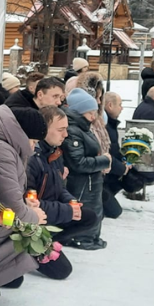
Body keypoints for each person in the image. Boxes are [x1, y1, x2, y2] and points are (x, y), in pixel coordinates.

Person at [0, 106, 48, 306]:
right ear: (21, 134)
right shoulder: (0, 150)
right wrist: (34, 216)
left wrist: (25, 204)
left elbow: (8, 193)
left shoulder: (5, 145)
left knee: (16, 278)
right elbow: (10, 202)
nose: (33, 148)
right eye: (33, 141)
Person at [28, 106, 101, 248]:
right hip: (37, 217)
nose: (66, 135)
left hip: (52, 212)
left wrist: (71, 202)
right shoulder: (32, 159)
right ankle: (39, 244)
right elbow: (31, 204)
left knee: (89, 217)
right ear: (43, 129)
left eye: (66, 129)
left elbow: (60, 188)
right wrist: (68, 211)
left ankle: (49, 242)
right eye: (60, 130)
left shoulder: (54, 153)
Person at [62, 88, 112, 250]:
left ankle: (90, 237)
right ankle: (82, 238)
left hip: (90, 182)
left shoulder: (82, 128)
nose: (93, 116)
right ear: (79, 111)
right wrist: (104, 161)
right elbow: (78, 163)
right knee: (86, 209)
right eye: (90, 112)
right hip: (82, 184)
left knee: (94, 208)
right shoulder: (73, 131)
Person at [102, 92, 146, 199]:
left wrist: (124, 160)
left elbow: (114, 149)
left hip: (110, 174)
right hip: (105, 178)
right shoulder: (104, 126)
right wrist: (123, 168)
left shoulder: (110, 124)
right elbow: (105, 153)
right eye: (120, 105)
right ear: (110, 105)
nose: (121, 108)